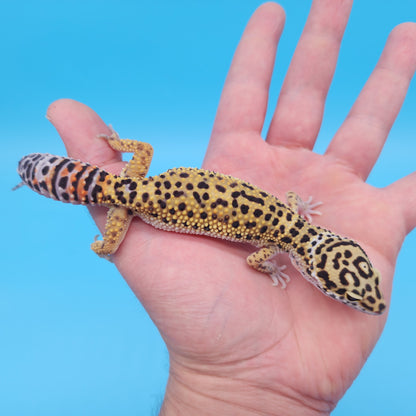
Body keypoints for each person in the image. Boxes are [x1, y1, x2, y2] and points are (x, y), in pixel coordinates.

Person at [45, 1, 416, 414]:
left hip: (143, 183)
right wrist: (275, 267)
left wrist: (116, 147)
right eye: (345, 290)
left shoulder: (291, 217)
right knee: (108, 246)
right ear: (314, 269)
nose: (364, 300)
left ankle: (70, 173)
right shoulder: (273, 248)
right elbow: (256, 262)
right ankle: (88, 227)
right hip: (140, 206)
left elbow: (288, 210)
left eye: (348, 290)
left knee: (140, 159)